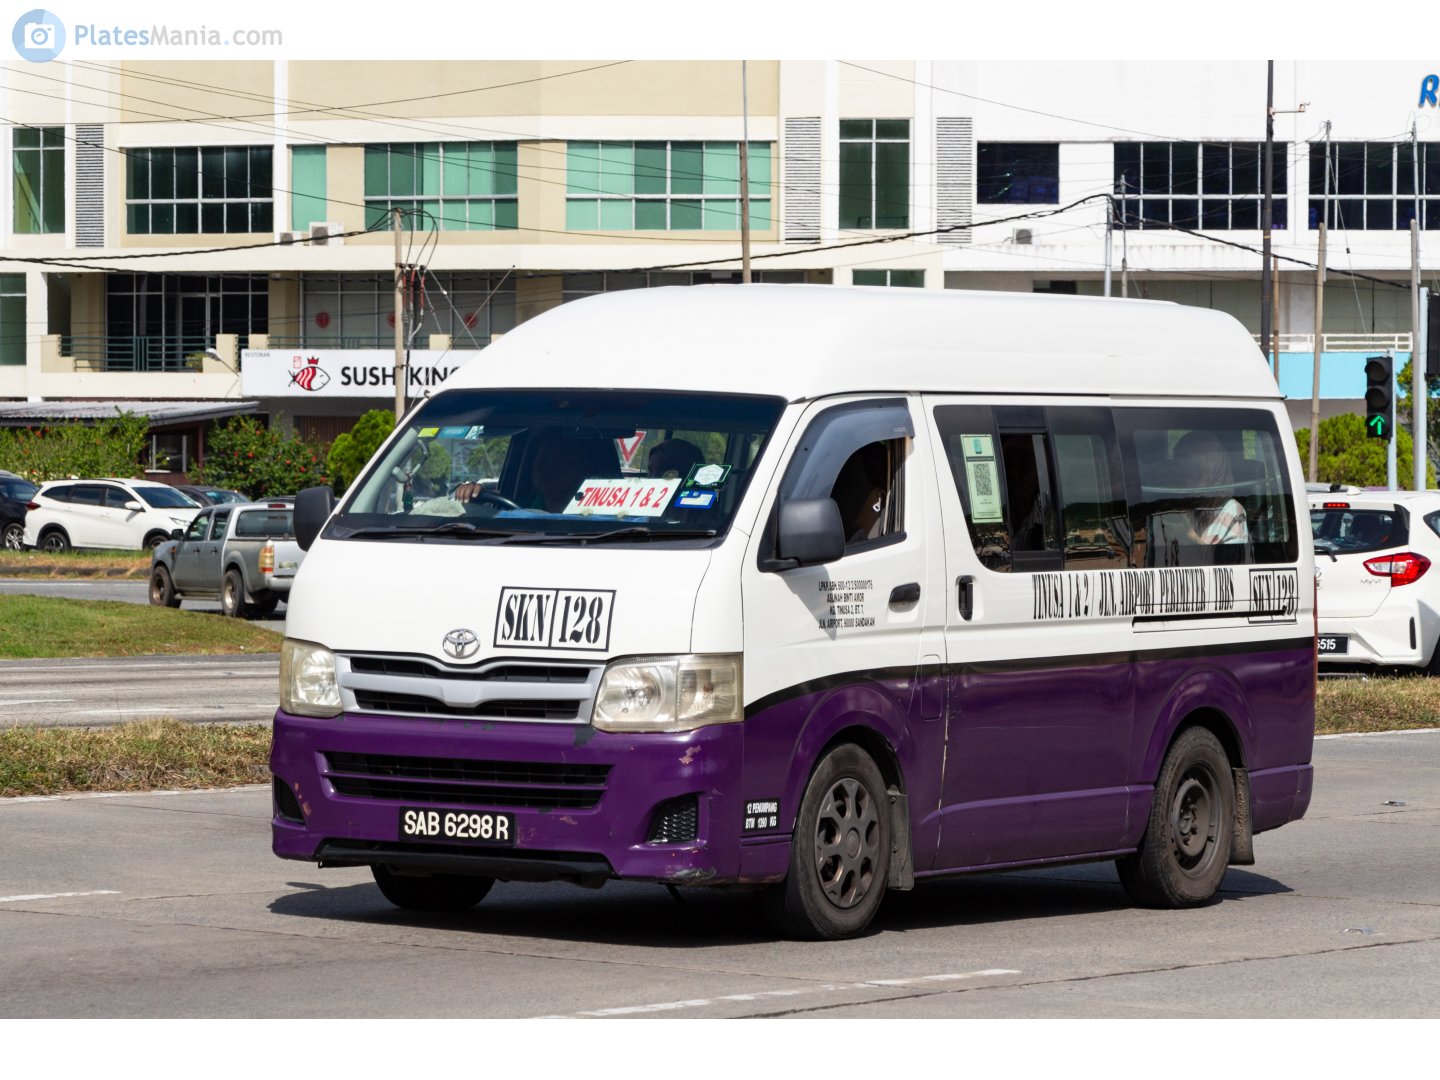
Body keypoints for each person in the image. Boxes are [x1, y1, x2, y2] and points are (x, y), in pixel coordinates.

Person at [1173, 430, 1248, 545]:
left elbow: (1233, 560)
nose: (1186, 481)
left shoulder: (1231, 510)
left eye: (1194, 472)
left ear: (1215, 472)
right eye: (1181, 473)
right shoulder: (1174, 508)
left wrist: (1189, 535)